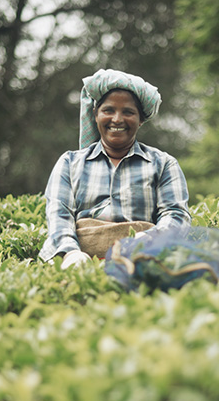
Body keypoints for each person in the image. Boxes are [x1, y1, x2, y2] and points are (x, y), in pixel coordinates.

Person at [39, 68, 191, 269]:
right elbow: (59, 215)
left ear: (141, 119)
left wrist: (148, 239)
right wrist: (71, 253)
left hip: (143, 259)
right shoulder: (69, 163)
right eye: (108, 110)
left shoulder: (163, 164)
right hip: (80, 261)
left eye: (128, 112)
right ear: (96, 114)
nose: (117, 119)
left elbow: (176, 216)